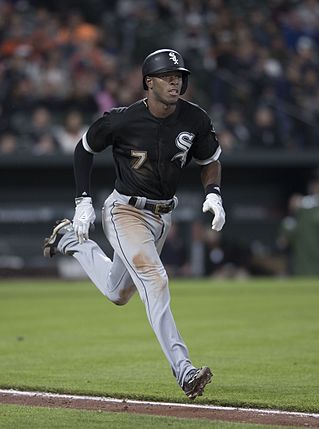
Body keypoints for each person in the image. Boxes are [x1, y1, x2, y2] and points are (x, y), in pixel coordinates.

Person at [43, 49, 225, 399]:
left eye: (180, 76)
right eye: (168, 76)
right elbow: (84, 148)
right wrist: (83, 201)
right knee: (155, 280)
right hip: (125, 211)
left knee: (118, 293)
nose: (176, 81)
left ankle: (71, 241)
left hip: (162, 215)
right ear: (149, 82)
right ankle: (184, 369)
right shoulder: (122, 120)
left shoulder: (195, 118)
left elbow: (210, 159)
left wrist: (214, 193)